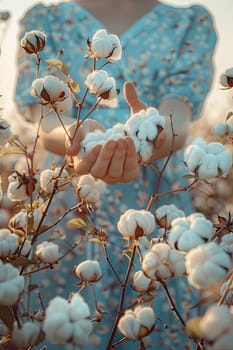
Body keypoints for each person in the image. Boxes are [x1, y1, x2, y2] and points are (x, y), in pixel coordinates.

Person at [14, 0, 217, 349]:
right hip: (65, 210)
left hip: (157, 206)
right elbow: (46, 118)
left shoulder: (187, 22)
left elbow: (177, 115)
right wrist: (73, 137)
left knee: (152, 313)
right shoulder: (44, 20)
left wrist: (155, 134)